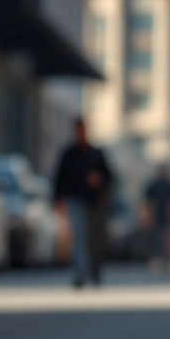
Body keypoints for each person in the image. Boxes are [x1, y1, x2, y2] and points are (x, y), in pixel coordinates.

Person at [53, 117, 113, 288]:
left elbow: (109, 176)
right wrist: (58, 199)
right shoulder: (69, 154)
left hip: (95, 202)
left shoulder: (96, 154)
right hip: (76, 200)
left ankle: (95, 271)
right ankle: (80, 273)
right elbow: (60, 178)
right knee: (79, 236)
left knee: (95, 239)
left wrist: (99, 180)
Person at [143, 164, 170, 273]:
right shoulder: (154, 186)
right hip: (155, 218)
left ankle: (164, 261)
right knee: (154, 241)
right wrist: (148, 216)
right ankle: (154, 261)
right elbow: (147, 202)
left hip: (166, 218)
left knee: (165, 241)